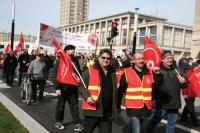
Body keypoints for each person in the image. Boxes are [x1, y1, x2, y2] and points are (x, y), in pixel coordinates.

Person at [118, 52, 162, 133]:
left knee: (136, 128)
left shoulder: (150, 72)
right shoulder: (127, 73)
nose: (141, 60)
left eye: (142, 58)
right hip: (132, 106)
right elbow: (121, 90)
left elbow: (157, 86)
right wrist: (117, 105)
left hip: (145, 106)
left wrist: (158, 75)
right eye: (138, 59)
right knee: (137, 129)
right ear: (134, 61)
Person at [145, 50, 187, 133]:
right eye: (167, 58)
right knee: (157, 119)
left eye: (171, 58)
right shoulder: (158, 70)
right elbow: (154, 86)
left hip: (174, 101)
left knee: (172, 122)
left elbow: (184, 85)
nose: (169, 60)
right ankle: (147, 131)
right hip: (162, 101)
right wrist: (152, 99)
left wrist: (183, 83)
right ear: (163, 60)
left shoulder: (177, 70)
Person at [80, 48, 120, 133]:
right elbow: (81, 85)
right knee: (87, 131)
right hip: (93, 109)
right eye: (103, 57)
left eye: (108, 58)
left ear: (111, 60)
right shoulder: (90, 70)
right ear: (98, 58)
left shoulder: (113, 72)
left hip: (107, 111)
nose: (106, 60)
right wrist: (87, 97)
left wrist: (116, 108)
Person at [53, 45, 83, 131]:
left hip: (73, 88)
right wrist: (57, 87)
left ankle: (77, 123)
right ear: (66, 51)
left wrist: (80, 80)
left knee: (74, 106)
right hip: (62, 88)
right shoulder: (60, 60)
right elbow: (55, 74)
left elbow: (78, 73)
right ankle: (58, 121)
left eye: (74, 49)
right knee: (61, 106)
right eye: (71, 49)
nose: (73, 50)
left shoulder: (75, 60)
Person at [180, 62, 199, 126]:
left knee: (188, 106)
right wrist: (185, 94)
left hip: (193, 93)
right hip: (188, 94)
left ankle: (183, 118)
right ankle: (195, 122)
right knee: (191, 108)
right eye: (197, 67)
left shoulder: (196, 74)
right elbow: (184, 85)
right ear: (194, 67)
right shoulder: (189, 73)